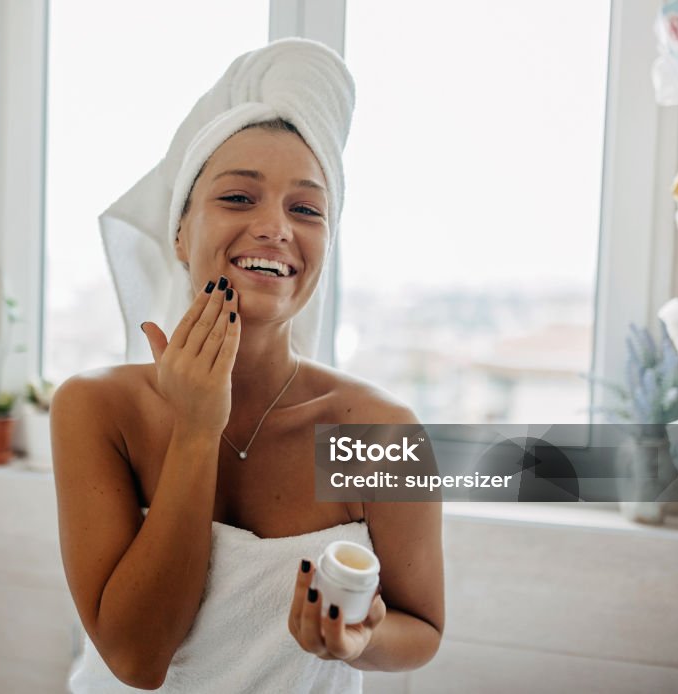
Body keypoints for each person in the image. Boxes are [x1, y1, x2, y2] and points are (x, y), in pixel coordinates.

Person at [51, 39, 443, 692]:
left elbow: (422, 630)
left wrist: (362, 637)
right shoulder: (98, 410)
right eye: (238, 198)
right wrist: (197, 429)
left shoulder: (377, 434)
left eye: (307, 209)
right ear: (180, 233)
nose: (275, 227)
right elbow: (136, 660)